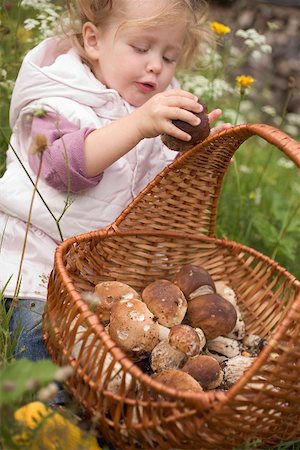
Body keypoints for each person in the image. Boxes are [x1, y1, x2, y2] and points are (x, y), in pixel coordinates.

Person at [0, 0, 230, 365]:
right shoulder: (53, 100)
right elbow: (62, 166)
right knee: (37, 342)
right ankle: (41, 412)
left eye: (169, 58)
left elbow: (166, 191)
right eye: (140, 48)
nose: (155, 64)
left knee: (118, 361)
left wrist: (202, 150)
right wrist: (139, 125)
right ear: (93, 41)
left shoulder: (154, 110)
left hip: (105, 278)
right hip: (36, 264)